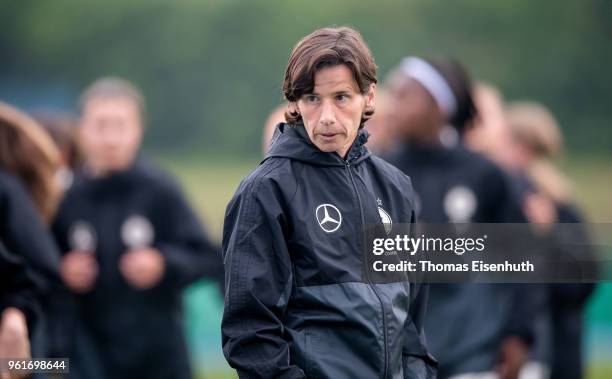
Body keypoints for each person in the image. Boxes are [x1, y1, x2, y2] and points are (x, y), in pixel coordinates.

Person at [222, 26, 436, 379]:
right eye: (311, 99)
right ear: (294, 102)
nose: (326, 117)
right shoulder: (265, 191)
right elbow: (250, 334)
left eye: (341, 97)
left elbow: (412, 323)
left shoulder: (396, 187)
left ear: (369, 97)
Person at [51, 77, 224, 379]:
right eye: (101, 125)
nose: (111, 137)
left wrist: (163, 263)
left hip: (158, 357)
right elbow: (35, 264)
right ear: (82, 130)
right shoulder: (65, 197)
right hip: (85, 355)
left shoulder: (160, 189)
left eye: (120, 125)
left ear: (138, 129)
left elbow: (208, 258)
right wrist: (61, 269)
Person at [383, 57, 536, 379]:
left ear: (439, 107)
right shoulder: (378, 171)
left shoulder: (484, 174)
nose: (391, 105)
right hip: (400, 356)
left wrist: (519, 333)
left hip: (475, 352)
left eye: (403, 95)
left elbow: (523, 256)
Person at [504, 101, 596, 379]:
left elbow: (581, 281)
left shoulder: (550, 204)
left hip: (551, 347)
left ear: (521, 147)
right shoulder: (560, 199)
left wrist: (546, 238)